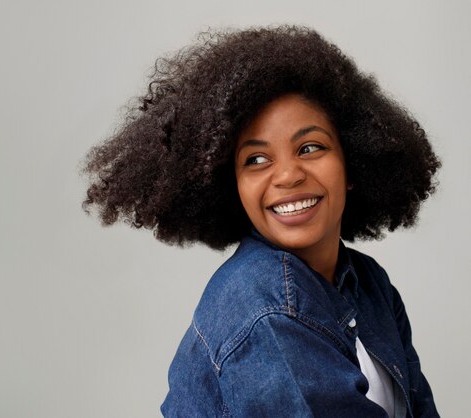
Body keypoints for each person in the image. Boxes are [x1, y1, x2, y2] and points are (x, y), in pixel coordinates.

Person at [82, 25, 440, 417]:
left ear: (353, 163)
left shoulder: (371, 286)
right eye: (255, 159)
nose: (287, 175)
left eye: (310, 147)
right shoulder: (264, 307)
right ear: (231, 184)